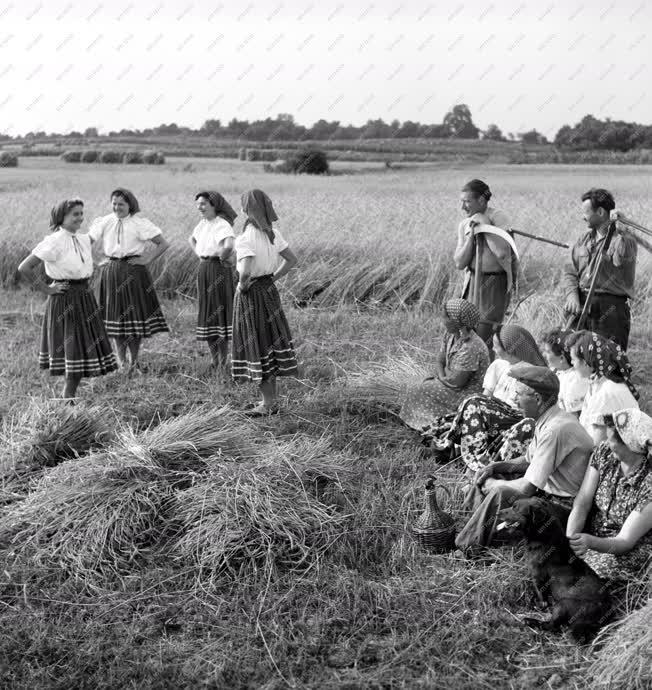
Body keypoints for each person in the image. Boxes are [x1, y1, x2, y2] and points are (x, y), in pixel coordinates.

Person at [455, 364, 594, 552]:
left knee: (500, 491)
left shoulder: (555, 429)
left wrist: (493, 484)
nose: (514, 399)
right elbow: (528, 461)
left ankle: (466, 546)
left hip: (563, 509)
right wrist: (495, 467)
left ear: (537, 398)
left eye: (519, 394)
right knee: (497, 476)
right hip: (548, 495)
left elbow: (527, 487)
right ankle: (472, 522)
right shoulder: (548, 420)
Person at [17, 199, 117, 401]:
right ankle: (67, 398)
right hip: (65, 299)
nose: (80, 218)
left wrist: (97, 264)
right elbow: (24, 267)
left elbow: (80, 256)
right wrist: (47, 288)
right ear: (61, 218)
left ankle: (68, 398)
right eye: (75, 214)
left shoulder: (80, 239)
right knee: (73, 349)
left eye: (81, 213)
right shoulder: (53, 241)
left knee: (81, 348)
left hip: (84, 296)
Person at [431, 324, 546, 472]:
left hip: (515, 418)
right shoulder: (499, 365)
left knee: (474, 403)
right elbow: (486, 396)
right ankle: (458, 448)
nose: (493, 349)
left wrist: (482, 407)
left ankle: (466, 454)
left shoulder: (534, 373)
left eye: (497, 346)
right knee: (472, 404)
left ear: (510, 350)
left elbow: (531, 410)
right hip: (493, 414)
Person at [231, 189, 298, 415]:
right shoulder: (273, 234)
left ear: (244, 210)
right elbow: (292, 259)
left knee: (257, 343)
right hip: (269, 290)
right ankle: (271, 400)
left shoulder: (245, 238)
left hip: (252, 295)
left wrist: (242, 285)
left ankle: (268, 404)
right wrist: (273, 278)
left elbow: (246, 270)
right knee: (269, 340)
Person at [89, 188, 170, 372]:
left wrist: (147, 259)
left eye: (121, 204)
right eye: (114, 203)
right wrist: (97, 261)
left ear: (130, 205)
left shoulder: (139, 223)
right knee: (116, 319)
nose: (117, 207)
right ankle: (121, 362)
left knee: (133, 320)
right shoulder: (105, 221)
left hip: (134, 273)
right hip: (111, 272)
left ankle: (134, 361)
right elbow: (85, 242)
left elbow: (163, 243)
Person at [567, 408, 652, 582]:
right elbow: (583, 501)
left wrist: (590, 543)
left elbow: (625, 541)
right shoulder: (605, 453)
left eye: (611, 438)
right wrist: (571, 538)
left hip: (627, 547)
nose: (606, 441)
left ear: (630, 445)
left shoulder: (648, 485)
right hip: (592, 534)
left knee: (595, 571)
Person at [399, 298, 490, 433]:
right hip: (449, 381)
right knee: (416, 385)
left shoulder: (471, 346)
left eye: (445, 317)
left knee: (419, 388)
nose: (442, 319)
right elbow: (439, 360)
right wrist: (441, 376)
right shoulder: (451, 334)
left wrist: (439, 379)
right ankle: (419, 422)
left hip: (466, 393)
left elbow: (457, 382)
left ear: (456, 321)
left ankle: (433, 426)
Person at [563, 188, 637, 350]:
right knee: (576, 358)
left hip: (611, 309)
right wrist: (572, 296)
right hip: (582, 304)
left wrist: (623, 229)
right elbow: (570, 271)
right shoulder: (583, 239)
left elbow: (622, 259)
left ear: (601, 212)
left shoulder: (624, 240)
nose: (583, 217)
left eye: (586, 212)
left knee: (609, 360)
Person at [454, 179, 519, 355]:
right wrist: (471, 236)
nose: (463, 207)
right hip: (472, 282)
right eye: (462, 201)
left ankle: (487, 377)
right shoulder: (464, 224)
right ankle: (469, 374)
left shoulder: (499, 217)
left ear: (481, 201)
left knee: (486, 334)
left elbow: (502, 253)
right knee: (468, 332)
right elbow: (460, 263)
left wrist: (485, 225)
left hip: (494, 283)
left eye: (467, 202)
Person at [189, 191, 237, 374]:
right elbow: (191, 239)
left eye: (203, 204)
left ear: (214, 205)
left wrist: (222, 258)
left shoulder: (222, 224)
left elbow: (230, 245)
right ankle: (214, 360)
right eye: (198, 204)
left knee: (219, 313)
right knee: (208, 312)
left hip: (218, 269)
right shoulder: (203, 224)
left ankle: (223, 361)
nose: (199, 207)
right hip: (205, 269)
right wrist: (200, 255)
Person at [569, 331, 639, 446]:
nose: (572, 364)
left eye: (573, 359)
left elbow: (598, 444)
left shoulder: (606, 393)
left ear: (586, 362)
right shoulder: (598, 383)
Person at [540, 327, 588, 415]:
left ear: (562, 358)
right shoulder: (559, 371)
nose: (544, 354)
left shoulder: (575, 381)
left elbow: (575, 417)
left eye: (547, 352)